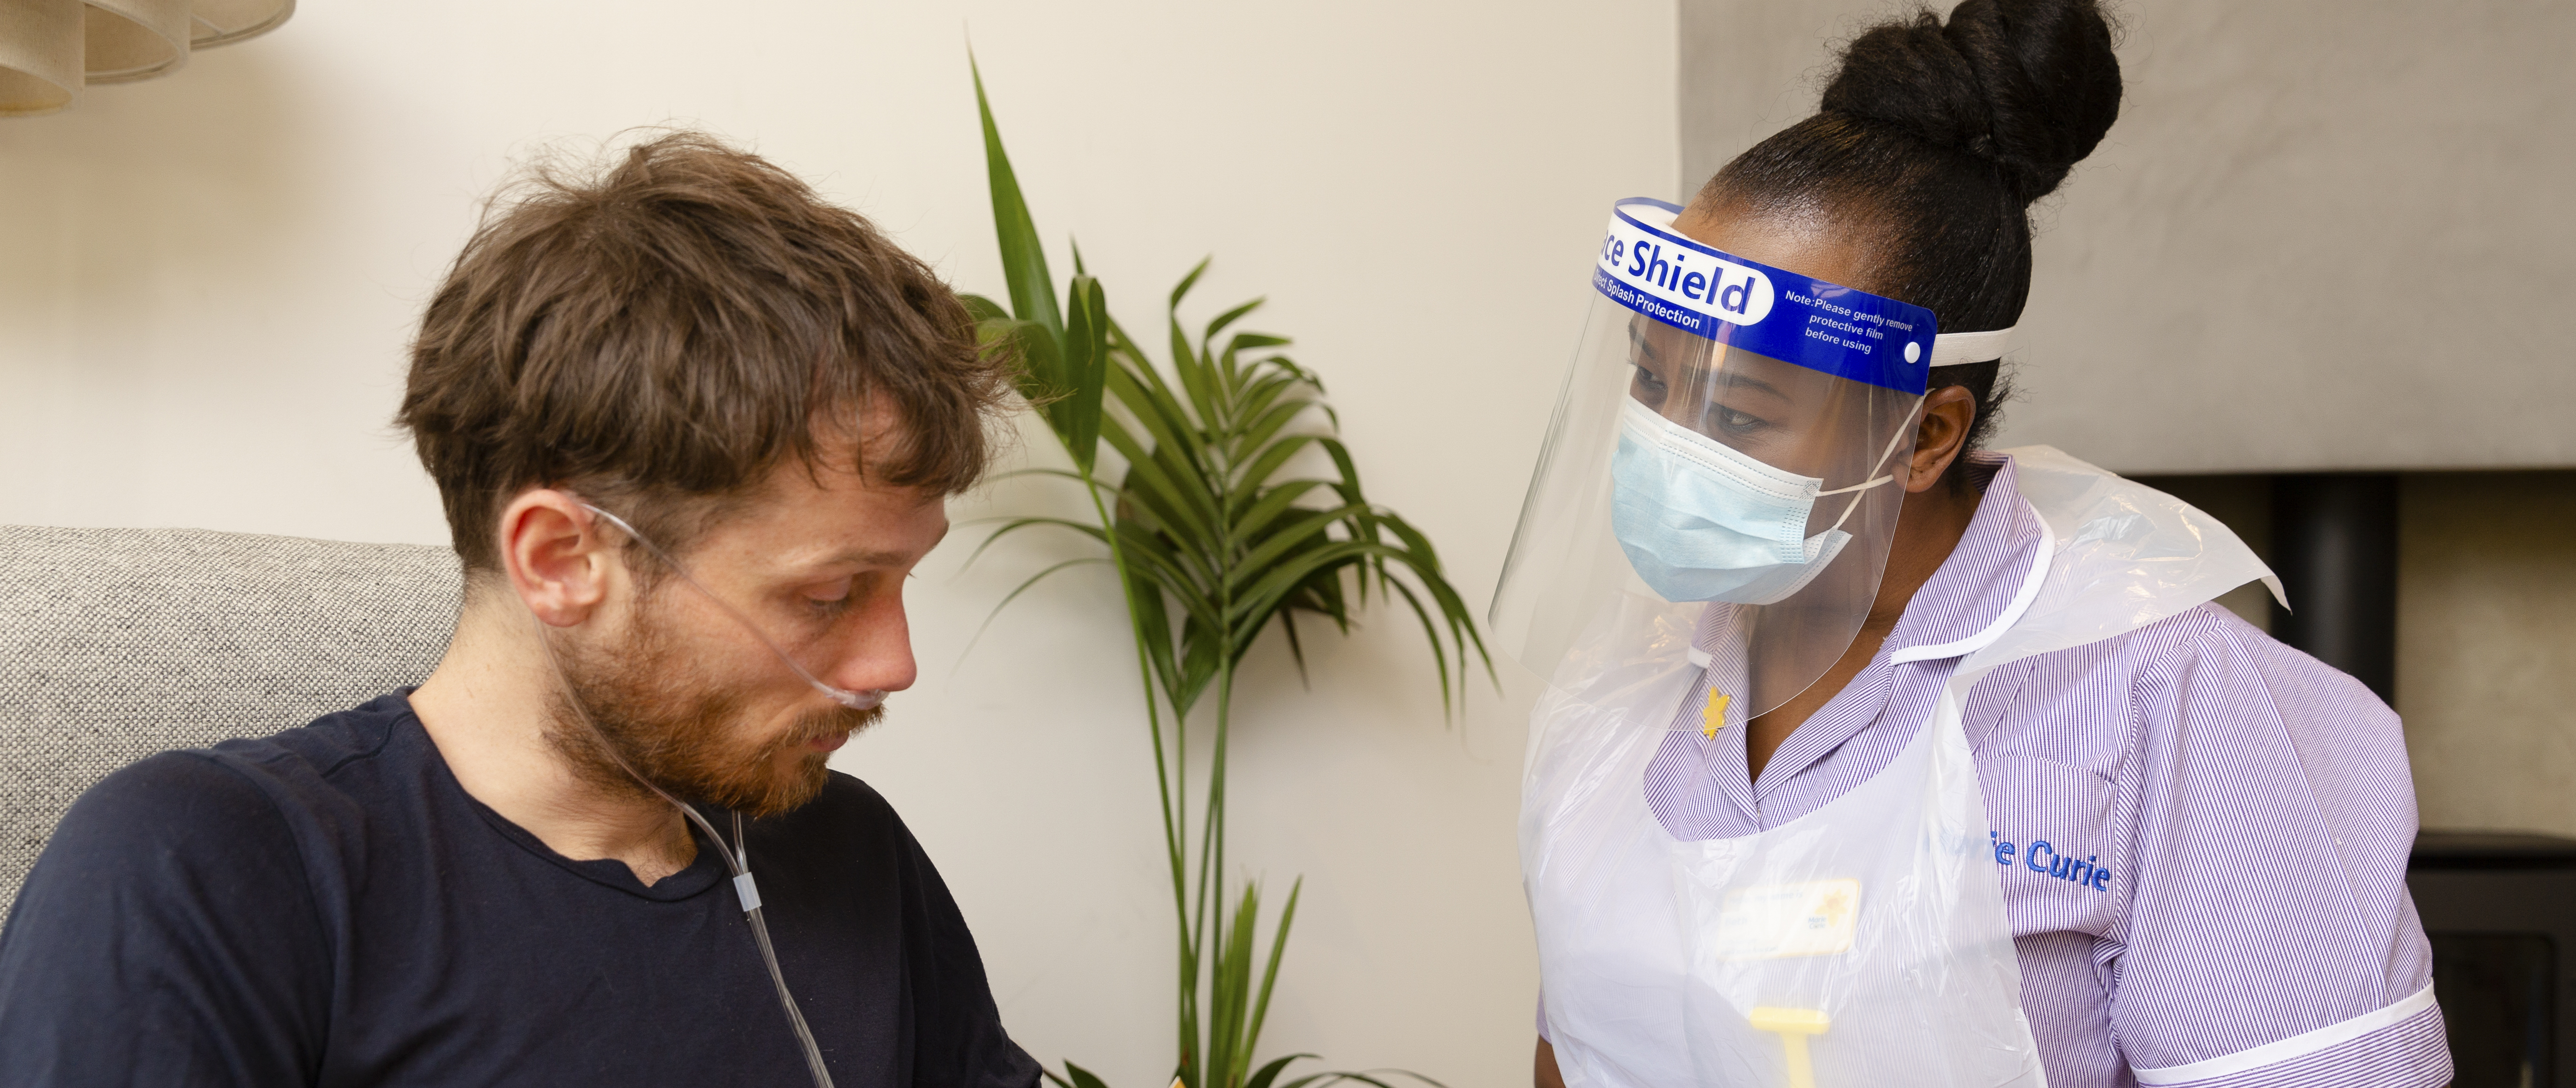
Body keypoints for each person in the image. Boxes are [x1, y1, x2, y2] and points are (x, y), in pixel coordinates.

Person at [1490, 2, 2451, 1086]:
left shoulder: (2163, 696)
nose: (1668, 442)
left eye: (1739, 412)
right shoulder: (1633, 683)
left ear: (1925, 434)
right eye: (1653, 381)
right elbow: (1574, 1047)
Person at [0, 132, 1042, 1088]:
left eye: (904, 582)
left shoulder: (848, 849)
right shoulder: (203, 868)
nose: (892, 664)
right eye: (827, 594)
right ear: (561, 559)